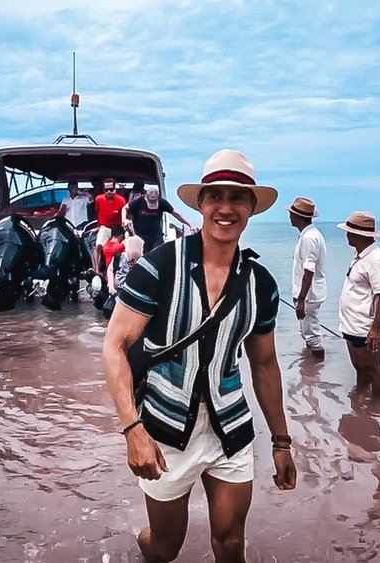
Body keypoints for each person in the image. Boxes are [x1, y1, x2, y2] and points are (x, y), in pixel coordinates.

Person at [103, 149, 296, 562]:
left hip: (230, 428)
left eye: (237, 198)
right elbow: (115, 344)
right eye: (216, 197)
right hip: (165, 430)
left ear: (251, 208)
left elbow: (264, 364)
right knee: (165, 547)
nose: (226, 208)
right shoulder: (160, 268)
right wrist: (133, 432)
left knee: (230, 544)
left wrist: (282, 442)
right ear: (201, 203)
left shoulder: (260, 284)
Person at [337, 211, 380, 397]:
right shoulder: (360, 255)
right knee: (360, 367)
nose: (346, 235)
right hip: (352, 323)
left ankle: (379, 407)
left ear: (359, 234)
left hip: (364, 326)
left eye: (349, 231)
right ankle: (360, 399)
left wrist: (376, 329)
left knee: (373, 369)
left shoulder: (376, 259)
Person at [287, 196, 327, 360]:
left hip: (309, 294)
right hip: (309, 292)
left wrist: (302, 299)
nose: (289, 217)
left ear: (298, 217)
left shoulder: (309, 237)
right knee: (306, 328)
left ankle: (315, 372)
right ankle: (311, 368)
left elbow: (309, 270)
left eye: (291, 214)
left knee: (311, 331)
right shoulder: (309, 234)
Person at [122, 185, 196, 253]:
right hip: (140, 237)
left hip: (156, 237)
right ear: (146, 196)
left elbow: (176, 214)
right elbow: (125, 208)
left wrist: (190, 225)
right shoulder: (139, 201)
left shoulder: (161, 202)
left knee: (158, 256)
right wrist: (124, 219)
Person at [93, 178, 126, 274]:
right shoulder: (98, 199)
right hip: (104, 227)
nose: (109, 192)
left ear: (115, 189)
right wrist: (98, 226)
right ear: (103, 190)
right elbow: (96, 212)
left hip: (118, 228)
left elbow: (124, 214)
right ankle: (96, 271)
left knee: (124, 246)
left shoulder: (121, 200)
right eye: (106, 190)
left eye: (111, 189)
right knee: (98, 247)